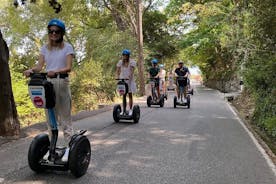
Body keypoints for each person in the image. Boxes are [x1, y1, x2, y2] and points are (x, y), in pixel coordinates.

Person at [24, 18, 74, 161]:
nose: (53, 34)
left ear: (61, 33)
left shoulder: (67, 47)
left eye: (57, 31)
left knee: (65, 117)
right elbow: (40, 67)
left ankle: (70, 148)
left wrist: (56, 71)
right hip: (47, 83)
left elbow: (69, 67)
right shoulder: (45, 48)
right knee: (50, 117)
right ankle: (52, 148)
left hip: (61, 81)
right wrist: (31, 70)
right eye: (51, 31)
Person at [116, 49, 137, 116]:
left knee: (130, 95)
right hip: (122, 79)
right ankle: (124, 110)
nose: (124, 56)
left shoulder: (132, 62)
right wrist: (117, 77)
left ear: (128, 56)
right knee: (124, 95)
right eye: (123, 55)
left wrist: (129, 77)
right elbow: (117, 71)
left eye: (126, 55)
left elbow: (131, 71)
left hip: (130, 80)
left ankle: (130, 110)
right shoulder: (120, 62)